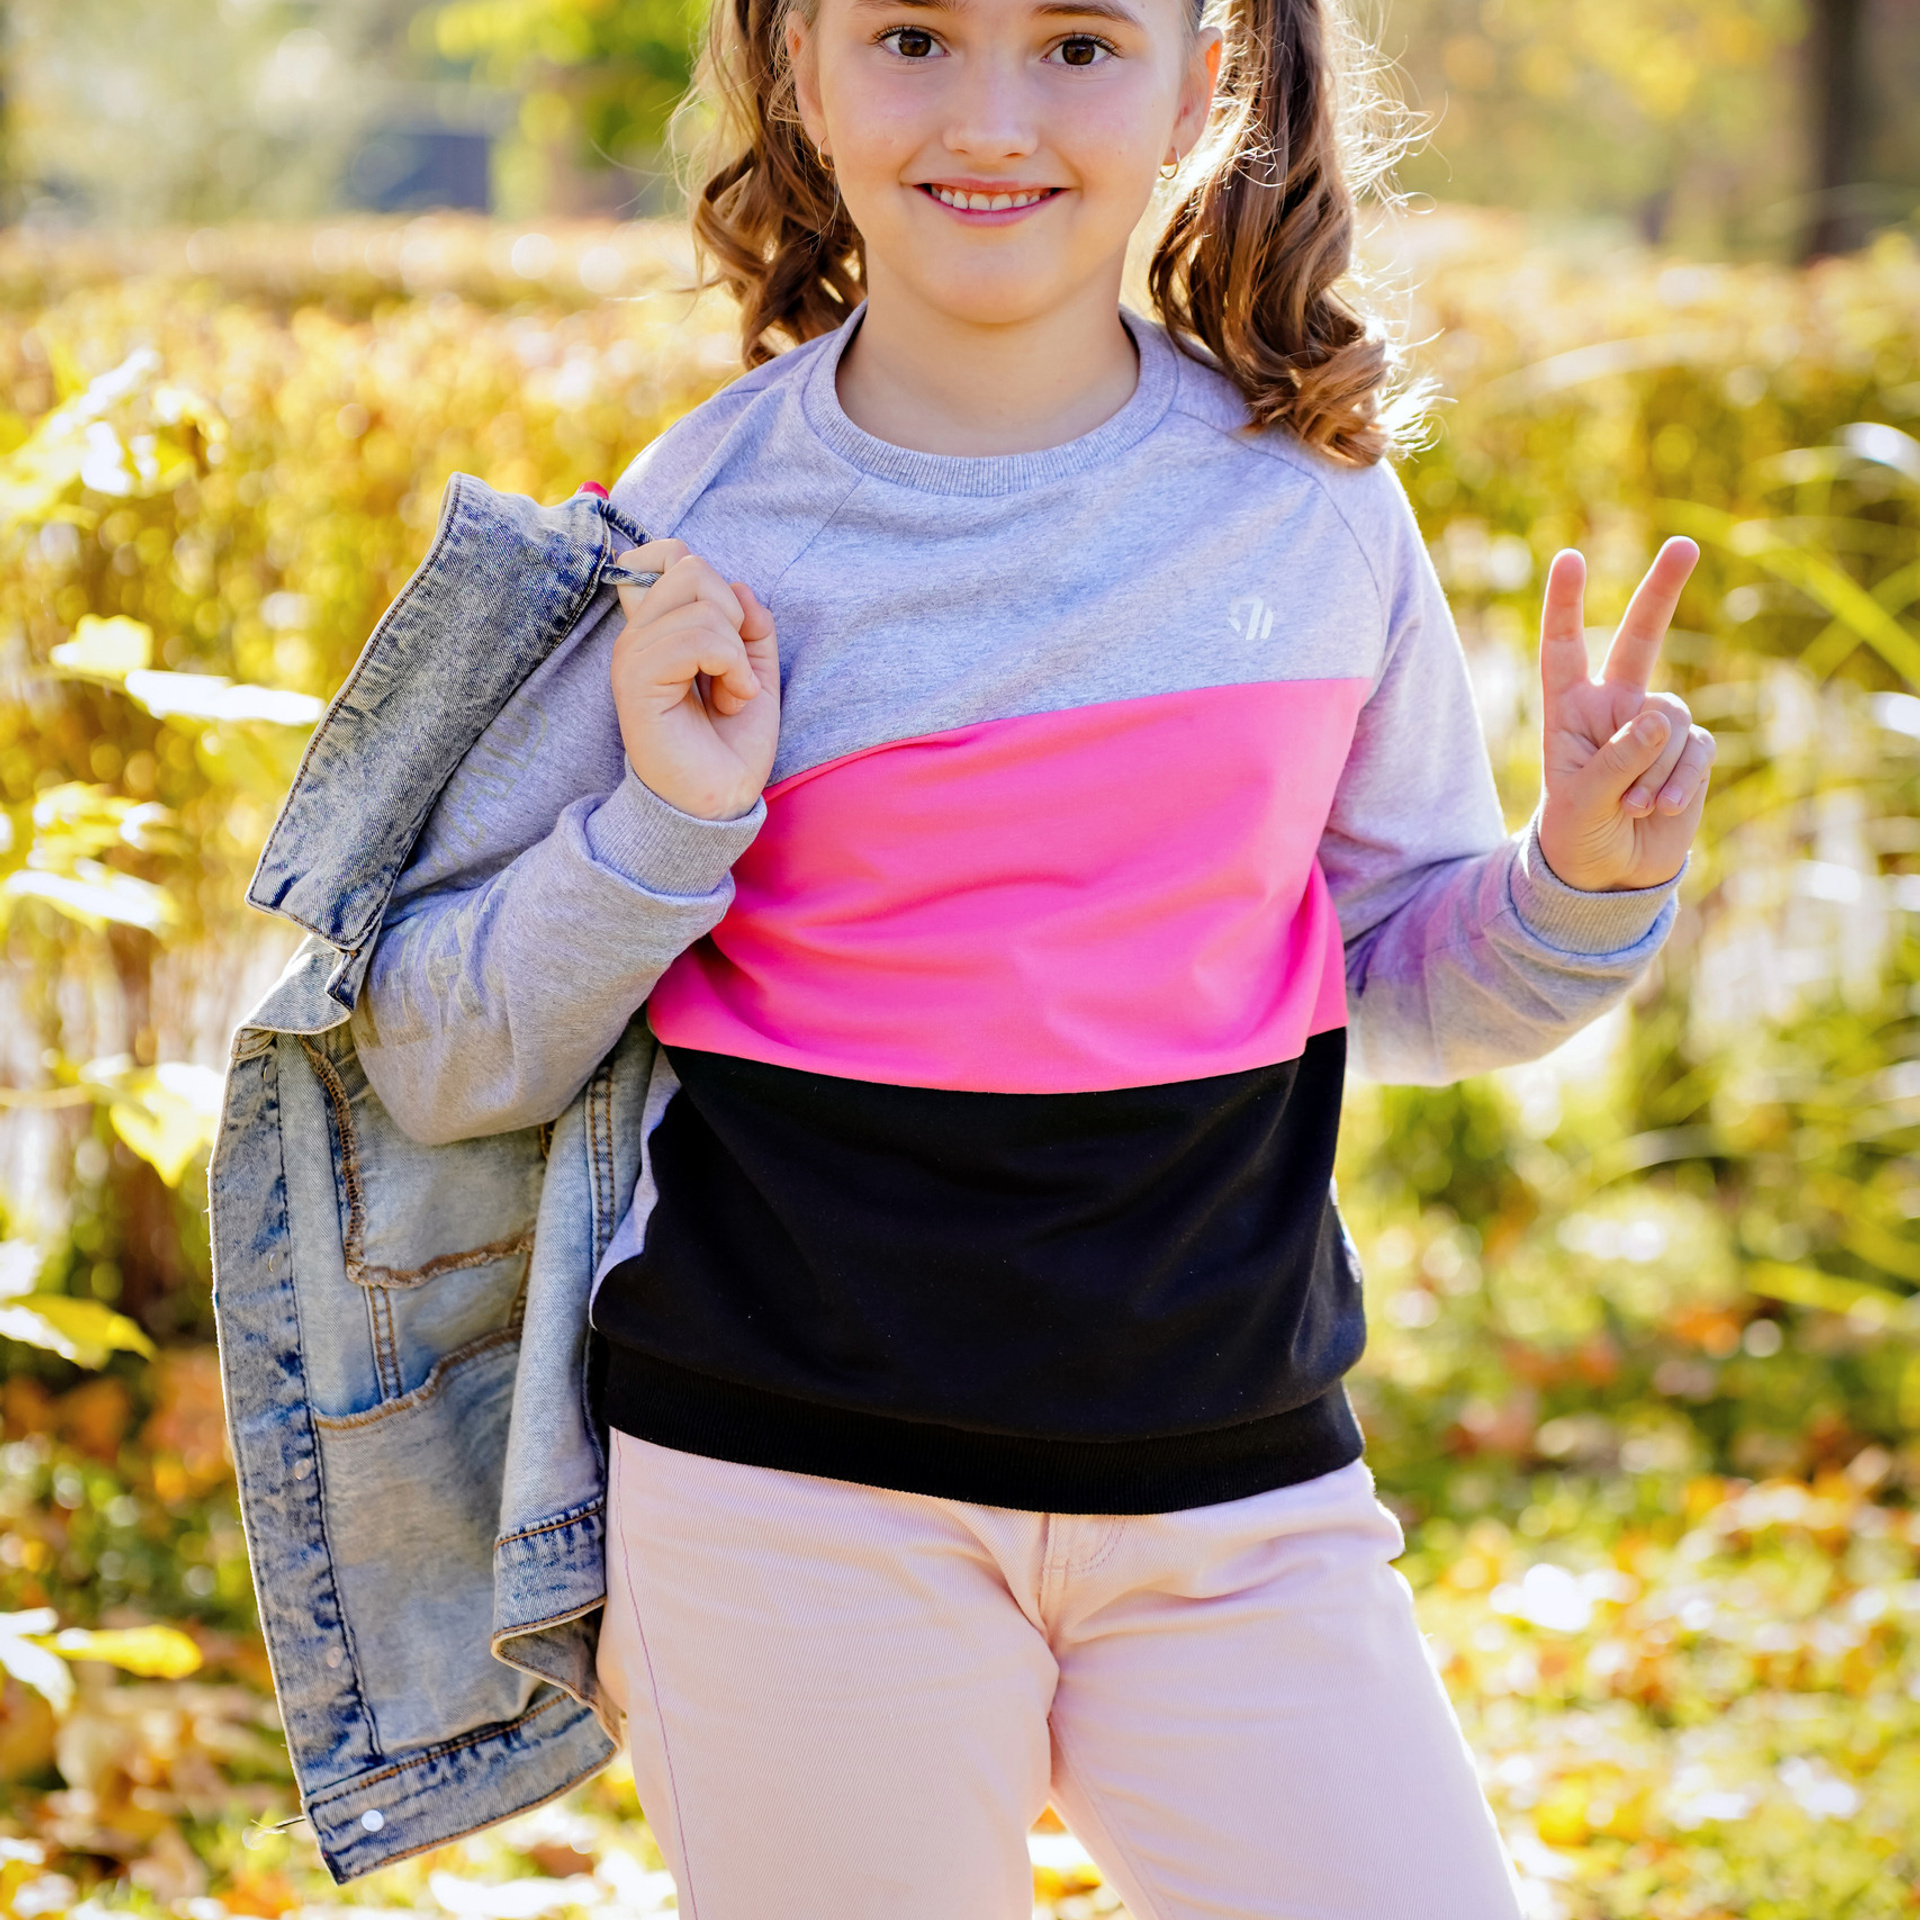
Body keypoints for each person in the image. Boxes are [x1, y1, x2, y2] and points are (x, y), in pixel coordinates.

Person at [347, 0, 1715, 1911]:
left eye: (1078, 42)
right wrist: (665, 824)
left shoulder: (1312, 504)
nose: (992, 117)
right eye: (914, 34)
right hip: (786, 1507)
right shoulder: (691, 527)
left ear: (1200, 83)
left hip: (1240, 1497)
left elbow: (1394, 975)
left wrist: (1575, 883)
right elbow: (436, 1049)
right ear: (800, 65)